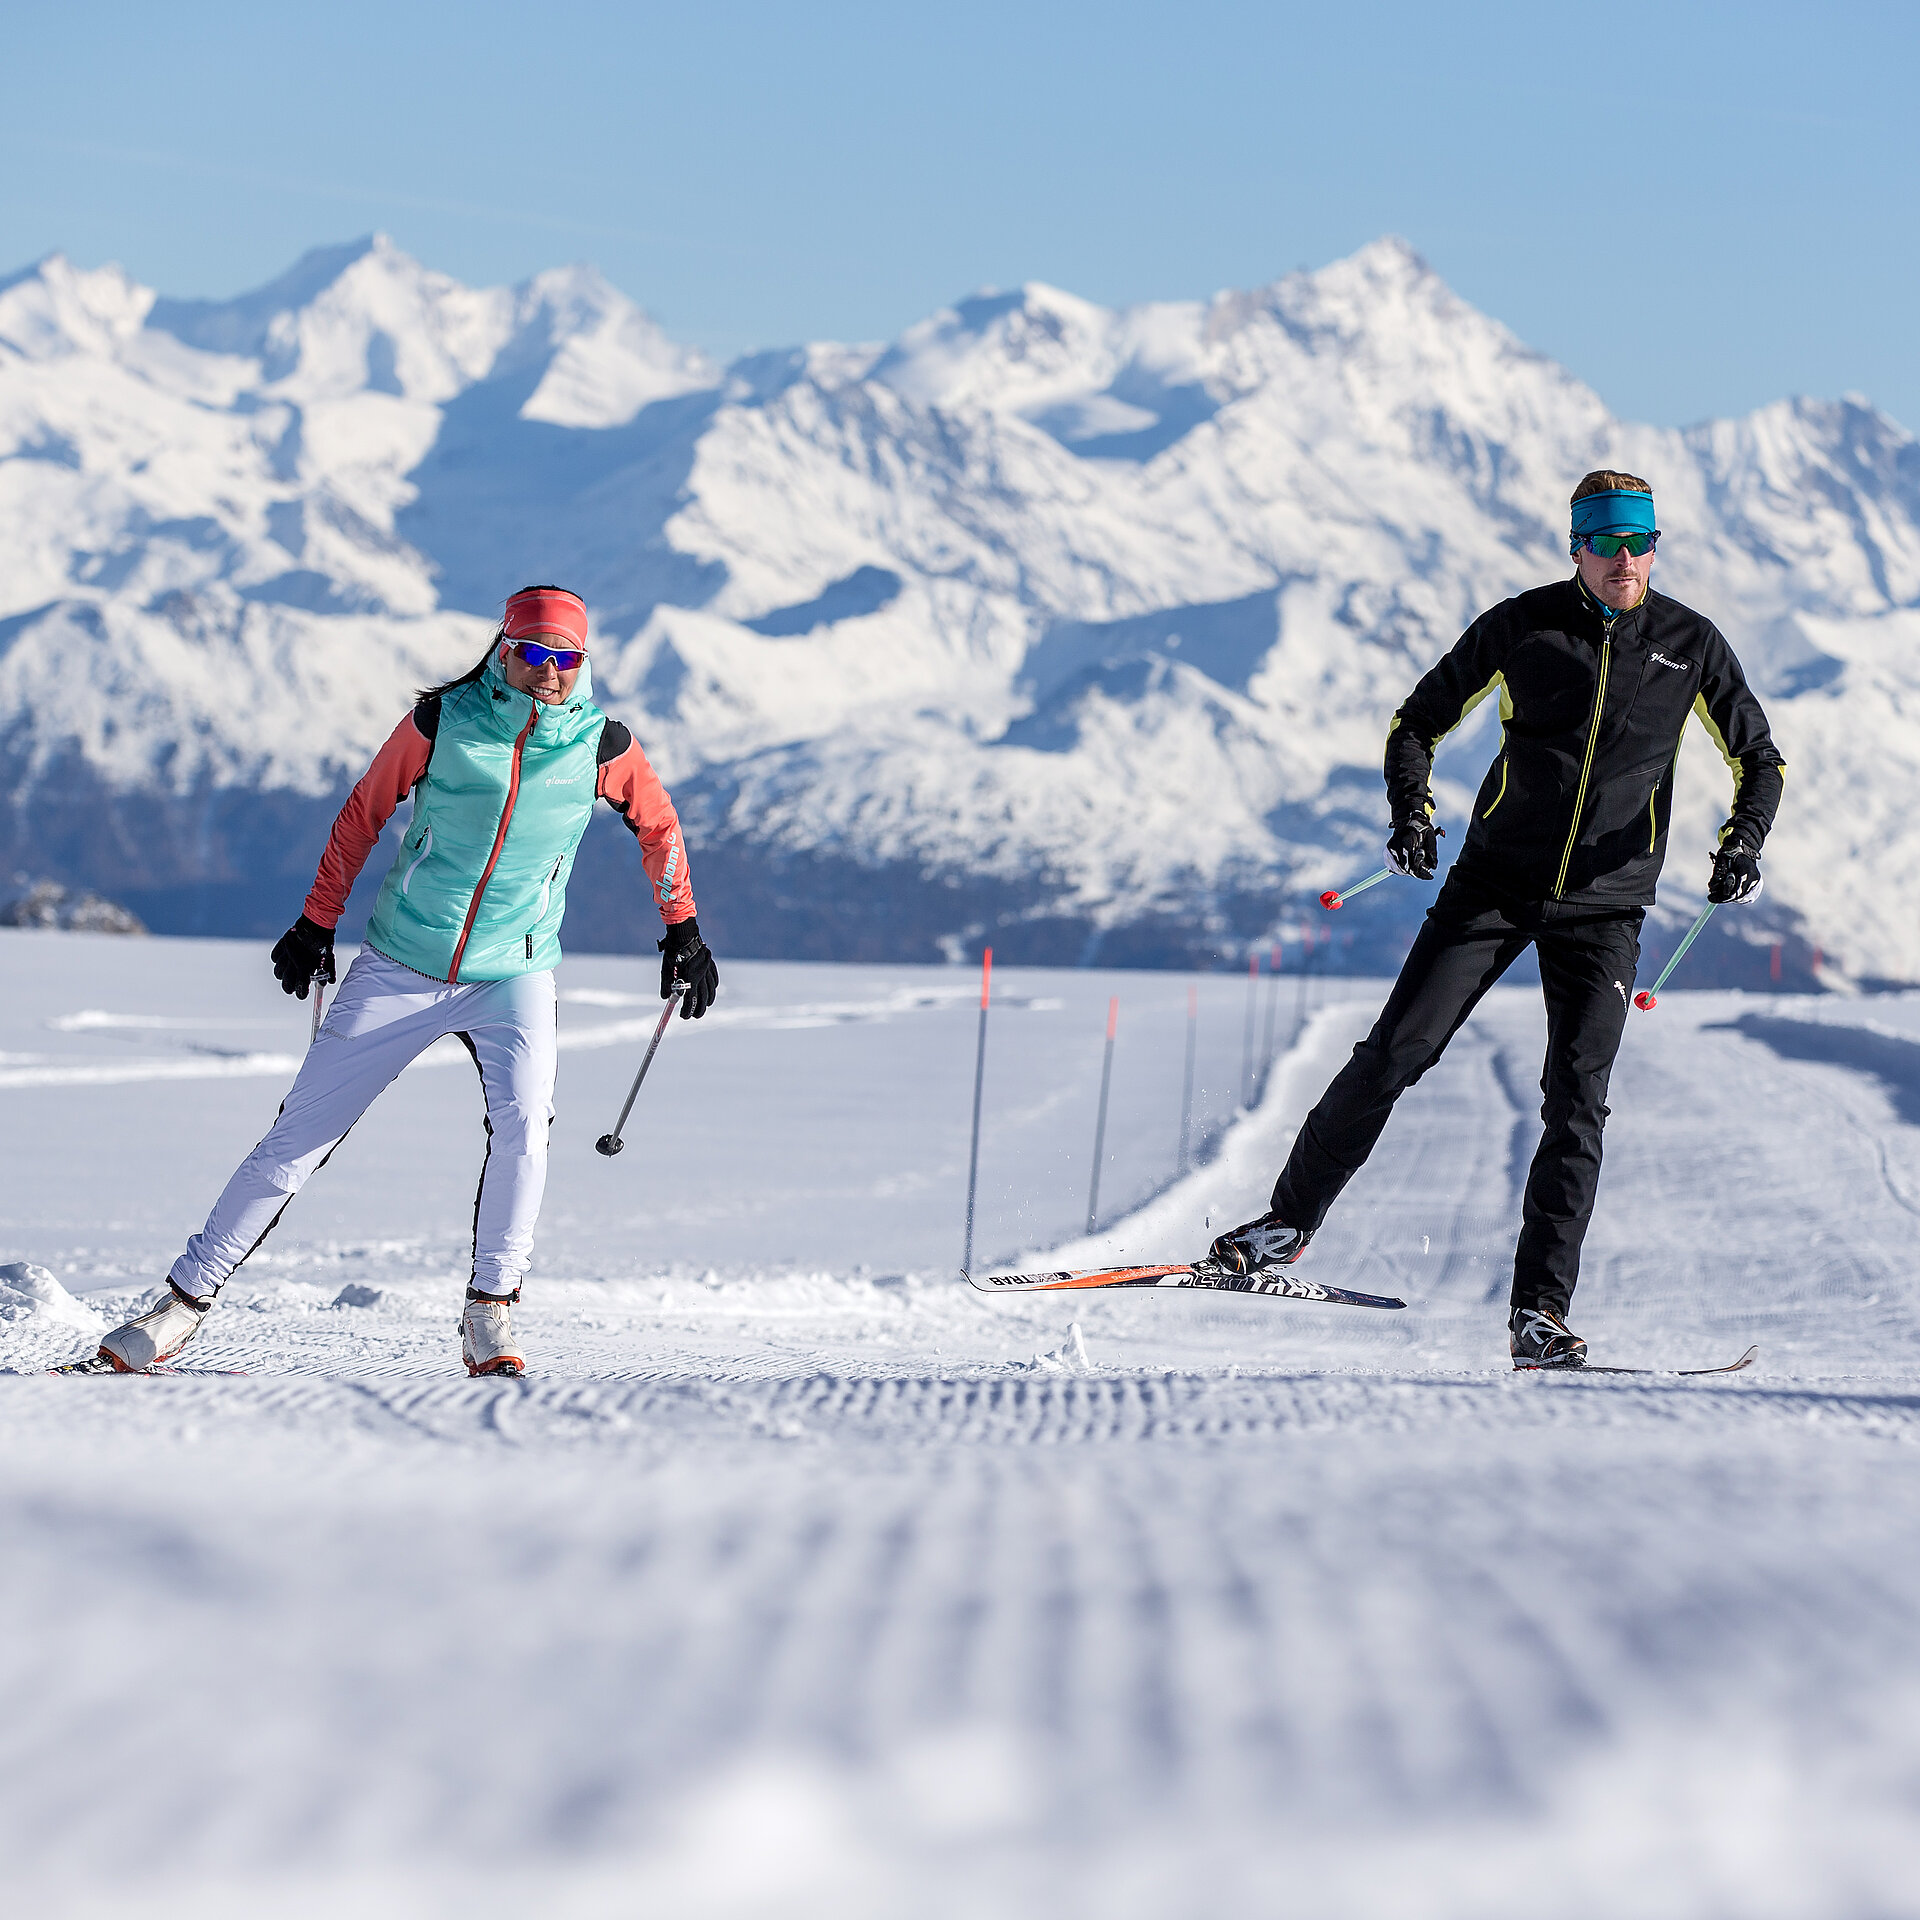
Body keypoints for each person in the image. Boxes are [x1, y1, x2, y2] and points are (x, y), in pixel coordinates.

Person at [1204, 472, 1785, 1368]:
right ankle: (1285, 1225)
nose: (1625, 560)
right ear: (1577, 549)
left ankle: (1539, 1316)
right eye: (1607, 543)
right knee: (1396, 1051)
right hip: (1495, 884)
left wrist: (1742, 841)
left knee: (1576, 1107)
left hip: (1607, 907)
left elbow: (1760, 758)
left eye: (1640, 543)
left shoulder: (1690, 645)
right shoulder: (1523, 625)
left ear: (1655, 546)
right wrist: (1411, 810)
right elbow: (1416, 722)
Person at [85, 585, 719, 1378]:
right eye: (534, 654)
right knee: (297, 1138)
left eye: (567, 658)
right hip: (402, 960)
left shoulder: (602, 745)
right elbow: (362, 815)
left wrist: (683, 932)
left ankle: (491, 1311)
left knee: (525, 1128)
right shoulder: (441, 722)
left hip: (516, 972)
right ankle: (178, 1308)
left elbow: (658, 827)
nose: (550, 672)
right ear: (505, 649)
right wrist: (318, 923)